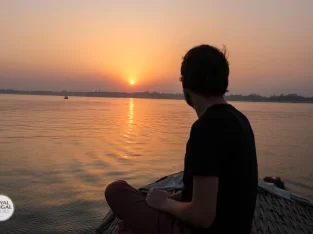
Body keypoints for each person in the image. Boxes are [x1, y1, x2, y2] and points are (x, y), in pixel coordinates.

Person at [104, 44, 258, 234]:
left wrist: (166, 203)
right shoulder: (241, 120)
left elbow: (202, 216)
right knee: (139, 211)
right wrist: (165, 201)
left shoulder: (206, 128)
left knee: (116, 190)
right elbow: (209, 193)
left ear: (186, 85)